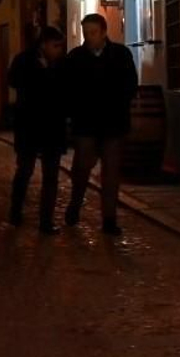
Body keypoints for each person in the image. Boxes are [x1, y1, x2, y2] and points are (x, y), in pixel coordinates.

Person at [64, 12, 138, 236]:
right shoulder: (76, 57)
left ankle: (109, 219)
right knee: (81, 169)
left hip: (113, 124)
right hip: (86, 124)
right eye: (86, 33)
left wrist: (117, 104)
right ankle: (75, 204)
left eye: (93, 33)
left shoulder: (121, 55)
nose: (89, 37)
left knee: (111, 173)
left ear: (104, 32)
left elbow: (130, 85)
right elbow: (68, 89)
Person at [8, 26, 67, 233]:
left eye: (60, 46)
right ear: (43, 44)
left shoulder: (60, 63)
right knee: (25, 170)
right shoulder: (24, 60)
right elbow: (14, 81)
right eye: (55, 45)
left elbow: (64, 90)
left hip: (53, 125)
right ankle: (15, 213)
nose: (59, 50)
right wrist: (42, 74)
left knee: (51, 175)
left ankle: (46, 221)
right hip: (29, 125)